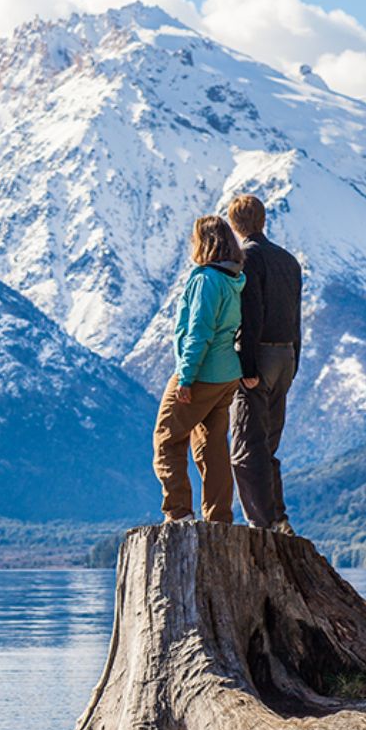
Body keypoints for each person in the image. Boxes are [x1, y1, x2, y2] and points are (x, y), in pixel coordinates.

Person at [216, 194, 302, 535]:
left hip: (260, 356)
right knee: (267, 445)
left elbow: (251, 314)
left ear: (234, 225)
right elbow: (296, 318)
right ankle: (278, 518)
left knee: (245, 446)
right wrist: (293, 362)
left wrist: (247, 367)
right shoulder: (289, 260)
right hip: (286, 357)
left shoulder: (248, 257)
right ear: (263, 220)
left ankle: (262, 524)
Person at [152, 215, 246, 523]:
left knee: (167, 438)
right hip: (227, 374)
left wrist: (186, 377)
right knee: (212, 445)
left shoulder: (206, 280)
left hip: (202, 373)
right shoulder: (234, 279)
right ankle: (218, 517)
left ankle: (178, 512)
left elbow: (199, 332)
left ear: (204, 243)